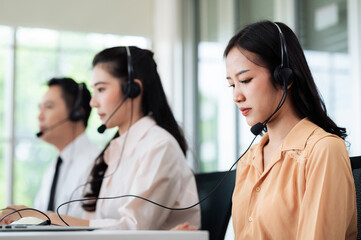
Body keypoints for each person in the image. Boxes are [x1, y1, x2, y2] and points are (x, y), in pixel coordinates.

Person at [173, 20, 357, 239]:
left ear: (284, 76)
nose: (236, 96)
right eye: (232, 84)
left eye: (245, 80)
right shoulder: (249, 161)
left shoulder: (322, 150)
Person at [0, 46, 201, 230]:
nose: (93, 102)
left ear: (133, 89)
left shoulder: (159, 146)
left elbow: (132, 229)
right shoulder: (115, 152)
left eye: (101, 89)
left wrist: (44, 217)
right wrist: (39, 218)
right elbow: (92, 223)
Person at [34, 77, 101, 218]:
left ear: (76, 113)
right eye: (40, 108)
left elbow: (88, 225)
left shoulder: (96, 164)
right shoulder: (53, 168)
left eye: (49, 107)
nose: (39, 116)